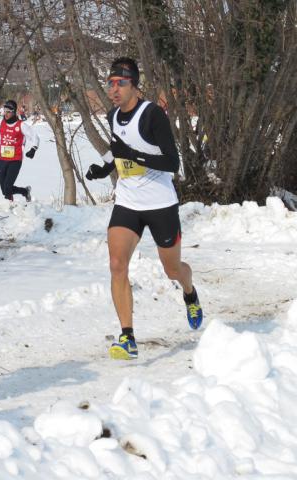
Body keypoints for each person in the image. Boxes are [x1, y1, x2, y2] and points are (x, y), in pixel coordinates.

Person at [85, 57, 203, 360]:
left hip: (160, 203)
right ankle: (128, 337)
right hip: (128, 201)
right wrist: (105, 166)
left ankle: (189, 292)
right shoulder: (113, 116)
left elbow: (171, 163)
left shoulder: (152, 115)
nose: (114, 89)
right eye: (110, 83)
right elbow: (118, 146)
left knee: (172, 269)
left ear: (134, 86)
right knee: (116, 264)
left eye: (120, 83)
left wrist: (134, 157)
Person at [0, 99, 39, 202]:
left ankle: (9, 205)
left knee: (7, 187)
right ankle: (24, 191)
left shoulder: (21, 125)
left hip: (16, 159)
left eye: (8, 112)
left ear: (14, 111)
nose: (5, 114)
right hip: (3, 159)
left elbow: (35, 137)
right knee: (4, 189)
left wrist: (33, 149)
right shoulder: (1, 123)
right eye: (4, 111)